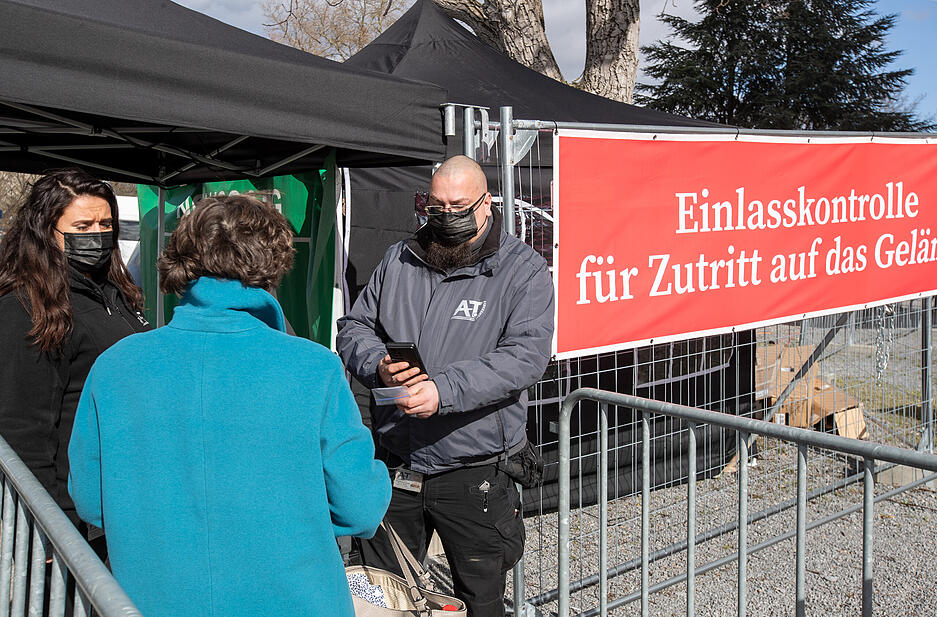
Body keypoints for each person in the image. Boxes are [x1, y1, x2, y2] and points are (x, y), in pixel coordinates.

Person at [68, 195, 391, 617]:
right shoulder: (314, 369)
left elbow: (91, 500)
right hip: (291, 600)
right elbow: (360, 508)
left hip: (150, 599)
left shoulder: (116, 365)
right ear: (272, 265)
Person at [336, 155, 555, 617]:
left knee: (480, 600)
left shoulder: (523, 271)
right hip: (397, 460)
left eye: (457, 207)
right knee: (385, 596)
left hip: (473, 471)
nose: (445, 217)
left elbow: (524, 358)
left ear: (486, 204)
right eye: (435, 207)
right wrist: (379, 365)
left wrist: (444, 390)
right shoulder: (401, 257)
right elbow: (354, 327)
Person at [0, 168, 149, 550]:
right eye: (82, 226)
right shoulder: (25, 308)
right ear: (46, 231)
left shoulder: (115, 293)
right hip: (72, 521)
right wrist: (50, 528)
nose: (96, 235)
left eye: (105, 224)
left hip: (120, 502)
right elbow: (22, 428)